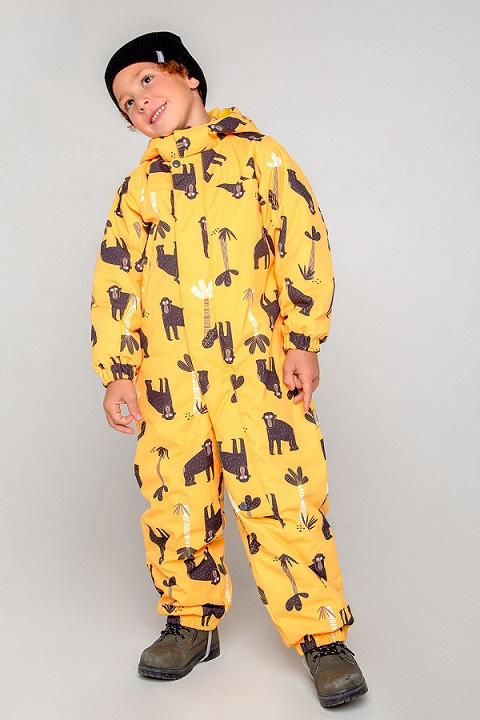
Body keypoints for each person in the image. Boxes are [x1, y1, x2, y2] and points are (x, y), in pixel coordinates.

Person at [91, 31, 368, 708]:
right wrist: (119, 369)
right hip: (169, 378)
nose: (140, 103)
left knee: (283, 492)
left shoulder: (258, 155)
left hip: (257, 368)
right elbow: (117, 278)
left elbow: (302, 241)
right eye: (127, 103)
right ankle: (191, 622)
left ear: (186, 75)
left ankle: (322, 637)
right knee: (175, 498)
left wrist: (303, 338)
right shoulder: (139, 190)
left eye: (146, 82)